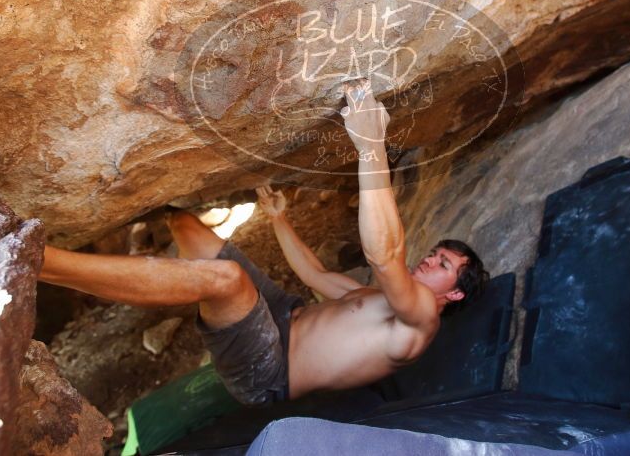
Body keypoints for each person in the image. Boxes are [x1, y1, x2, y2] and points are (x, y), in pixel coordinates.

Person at [39, 79, 488, 406]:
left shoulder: (422, 320)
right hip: (281, 312)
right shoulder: (379, 299)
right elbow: (316, 275)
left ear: (454, 292)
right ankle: (148, 270)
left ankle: (40, 261)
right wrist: (278, 219)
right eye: (435, 253)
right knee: (187, 228)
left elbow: (386, 254)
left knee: (226, 280)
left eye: (443, 263)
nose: (430, 260)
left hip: (269, 370)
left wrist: (371, 146)